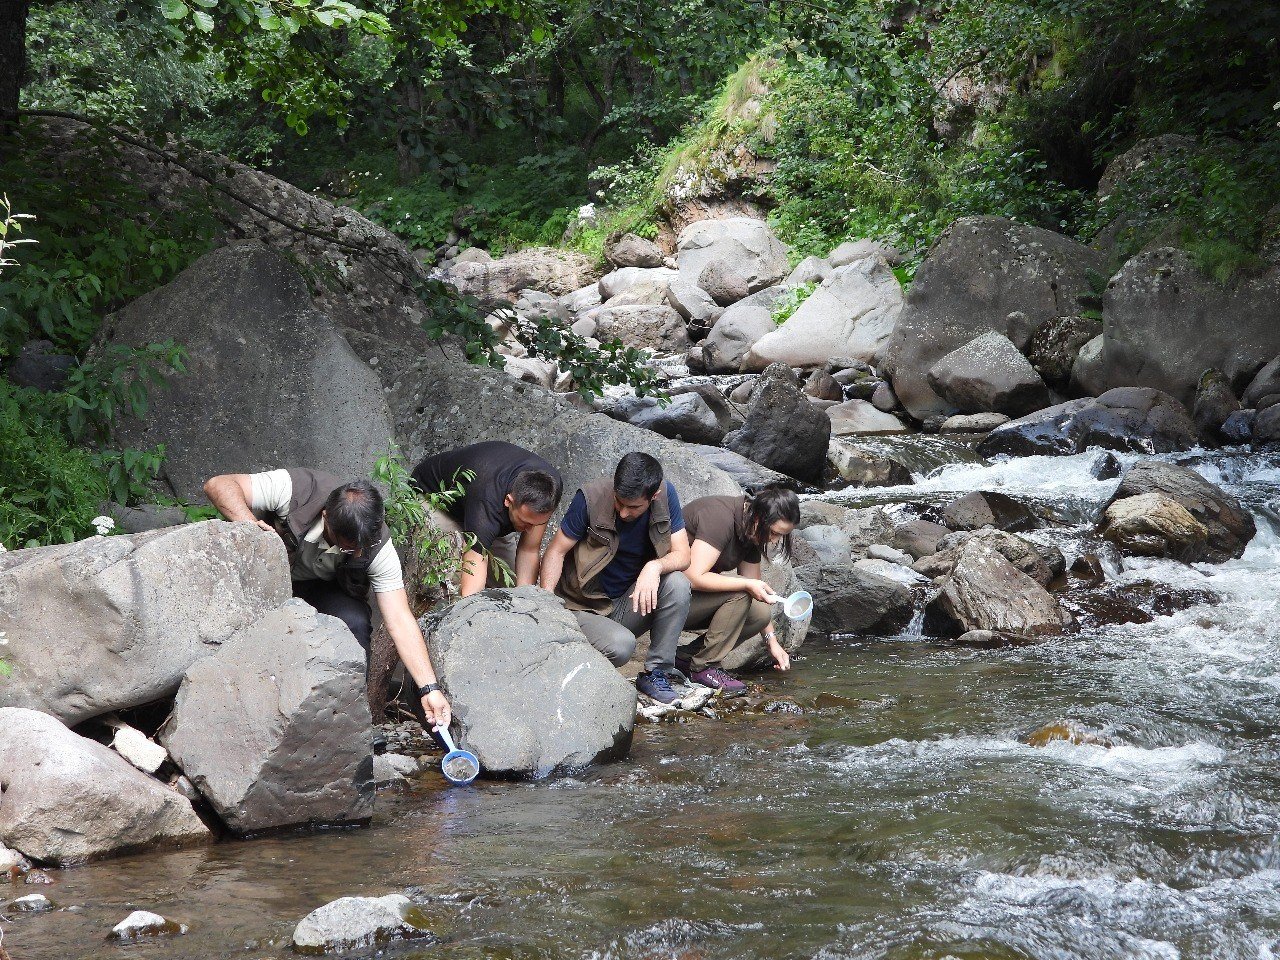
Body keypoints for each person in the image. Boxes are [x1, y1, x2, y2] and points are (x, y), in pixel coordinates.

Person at [203, 467, 450, 730]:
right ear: (326, 518)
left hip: (323, 590)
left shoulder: (377, 545)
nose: (354, 554)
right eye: (346, 547)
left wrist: (429, 688)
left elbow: (400, 619)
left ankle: (345, 724)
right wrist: (249, 527)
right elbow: (218, 484)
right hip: (268, 581)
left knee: (354, 621)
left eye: (359, 550)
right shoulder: (299, 490)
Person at [539, 452, 692, 705]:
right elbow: (556, 550)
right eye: (619, 502)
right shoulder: (590, 498)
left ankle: (657, 673)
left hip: (623, 605)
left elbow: (683, 555)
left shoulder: (666, 495)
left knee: (677, 582)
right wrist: (546, 605)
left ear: (653, 497)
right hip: (581, 607)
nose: (622, 513)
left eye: (633, 507)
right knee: (622, 647)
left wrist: (654, 567)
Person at [679, 487, 801, 695]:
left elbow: (756, 588)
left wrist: (772, 643)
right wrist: (744, 585)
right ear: (758, 517)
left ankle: (684, 659)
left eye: (781, 536)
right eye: (773, 533)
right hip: (663, 598)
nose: (774, 541)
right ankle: (703, 667)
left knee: (760, 614)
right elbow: (692, 577)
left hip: (689, 599)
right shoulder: (720, 518)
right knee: (741, 592)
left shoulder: (750, 531)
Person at [410, 441, 563, 597]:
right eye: (526, 522)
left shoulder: (549, 489)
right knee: (453, 584)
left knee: (507, 589)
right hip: (434, 499)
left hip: (481, 506)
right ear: (508, 501)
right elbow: (472, 579)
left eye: (537, 524)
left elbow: (529, 549)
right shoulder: (487, 502)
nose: (531, 530)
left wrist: (524, 602)